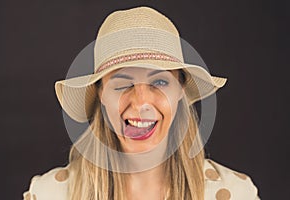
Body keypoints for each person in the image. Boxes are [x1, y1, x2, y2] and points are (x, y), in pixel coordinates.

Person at [23, 6, 260, 200]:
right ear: (101, 94)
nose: (141, 102)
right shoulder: (48, 194)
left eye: (159, 82)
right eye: (122, 84)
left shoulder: (237, 193)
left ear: (180, 90)